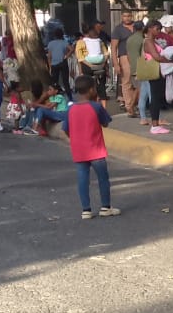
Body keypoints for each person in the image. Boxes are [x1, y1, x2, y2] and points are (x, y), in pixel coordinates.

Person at [64, 76, 119, 220]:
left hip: (79, 149)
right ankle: (105, 207)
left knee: (83, 179)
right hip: (96, 149)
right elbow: (105, 123)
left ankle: (86, 210)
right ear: (90, 90)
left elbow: (66, 128)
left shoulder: (70, 108)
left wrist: (74, 138)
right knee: (103, 178)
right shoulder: (96, 106)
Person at [136, 20, 171, 134]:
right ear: (150, 28)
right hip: (154, 72)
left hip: (158, 72)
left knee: (155, 97)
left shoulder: (152, 41)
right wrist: (171, 60)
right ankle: (155, 125)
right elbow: (156, 57)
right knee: (155, 98)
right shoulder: (148, 41)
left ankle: (155, 123)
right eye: (157, 29)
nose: (159, 31)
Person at [120, 18, 143, 117]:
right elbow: (143, 54)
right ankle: (132, 107)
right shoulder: (142, 39)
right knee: (140, 89)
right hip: (141, 66)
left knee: (137, 88)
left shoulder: (129, 39)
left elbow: (128, 55)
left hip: (132, 66)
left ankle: (131, 107)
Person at [76, 21, 110, 86]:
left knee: (87, 85)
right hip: (101, 66)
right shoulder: (99, 41)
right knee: (102, 85)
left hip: (88, 67)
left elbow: (80, 59)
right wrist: (103, 64)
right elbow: (106, 54)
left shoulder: (80, 42)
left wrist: (83, 70)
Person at [46, 29, 73, 98]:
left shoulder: (50, 43)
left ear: (54, 35)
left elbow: (49, 56)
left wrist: (50, 66)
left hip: (54, 64)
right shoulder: (64, 42)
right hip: (63, 62)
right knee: (65, 81)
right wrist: (66, 56)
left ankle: (55, 97)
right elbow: (72, 49)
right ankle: (70, 97)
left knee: (55, 82)